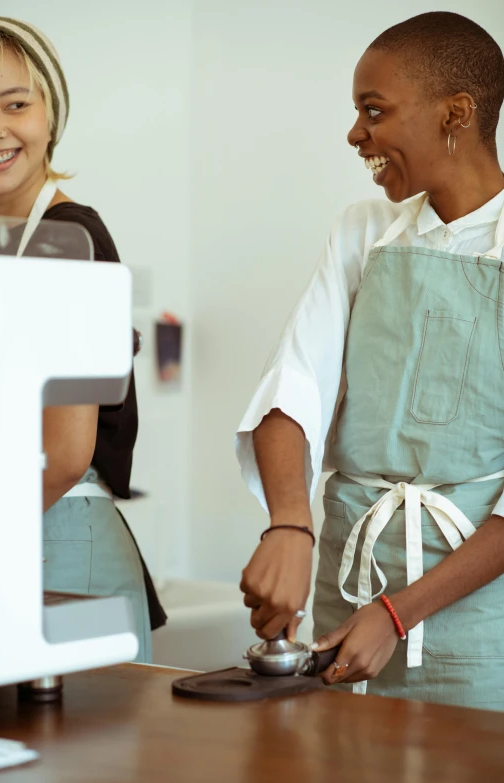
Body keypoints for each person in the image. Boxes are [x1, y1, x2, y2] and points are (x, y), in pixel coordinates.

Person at [236, 11, 504, 710]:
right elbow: (292, 385)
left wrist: (397, 613)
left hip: (479, 620)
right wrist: (289, 525)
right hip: (345, 598)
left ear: (458, 113)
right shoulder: (364, 232)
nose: (356, 134)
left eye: (373, 111)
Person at [0, 17, 166, 662]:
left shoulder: (68, 242)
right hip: (16, 534)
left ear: (51, 116)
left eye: (15, 103)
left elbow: (62, 454)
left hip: (55, 539)